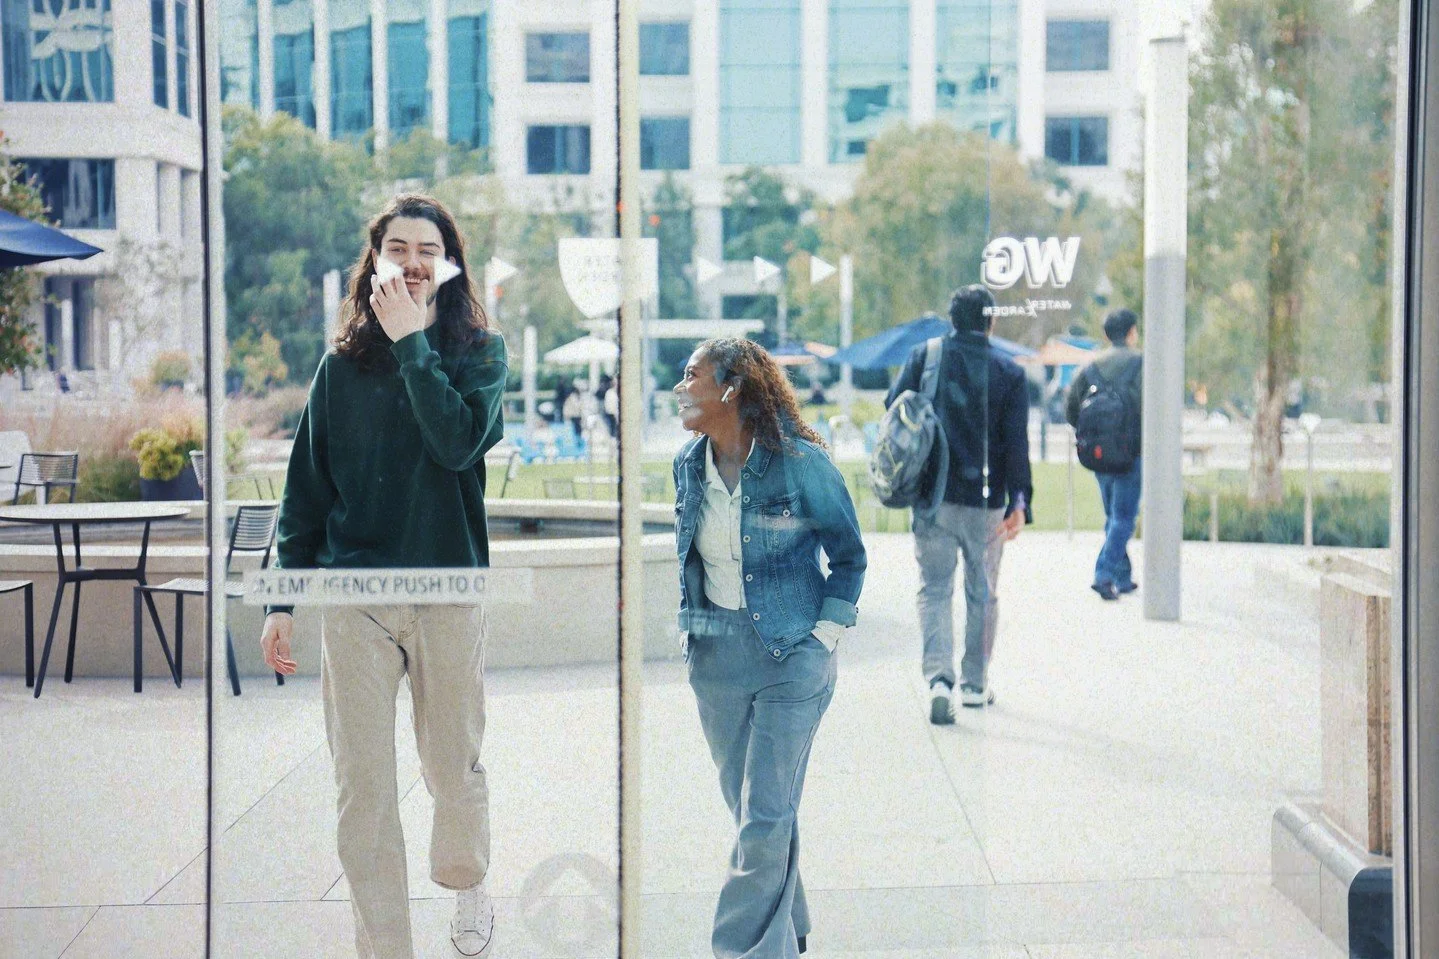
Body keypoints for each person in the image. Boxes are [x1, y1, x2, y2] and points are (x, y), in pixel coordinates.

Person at [258, 194, 507, 959]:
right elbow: (307, 488)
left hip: (446, 590)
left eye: (426, 247)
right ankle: (384, 947)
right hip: (356, 598)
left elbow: (458, 444)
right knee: (361, 790)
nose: (411, 259)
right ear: (375, 261)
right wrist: (281, 599)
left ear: (448, 261)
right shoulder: (339, 368)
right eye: (396, 246)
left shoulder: (480, 355)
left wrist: (413, 345)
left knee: (449, 766)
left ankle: (468, 884)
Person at [672, 337, 867, 958]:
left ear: (731, 389)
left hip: (791, 657)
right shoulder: (686, 464)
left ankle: (742, 952)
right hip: (717, 661)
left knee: (763, 818)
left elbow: (849, 557)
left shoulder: (800, 463)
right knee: (757, 815)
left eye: (691, 375)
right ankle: (792, 925)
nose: (680, 386)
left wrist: (824, 637)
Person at [885, 285, 1032, 724]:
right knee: (981, 591)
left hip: (933, 499)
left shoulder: (924, 357)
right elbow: (1016, 445)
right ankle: (973, 683)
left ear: (952, 319)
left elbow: (894, 409)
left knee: (934, 589)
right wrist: (1020, 500)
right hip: (987, 504)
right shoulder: (1009, 372)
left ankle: (938, 681)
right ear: (991, 322)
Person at [1065, 308, 1144, 601]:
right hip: (1131, 452)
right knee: (1124, 517)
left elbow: (1071, 409)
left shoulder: (1089, 367)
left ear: (1106, 334)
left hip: (1098, 452)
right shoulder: (1142, 363)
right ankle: (1104, 573)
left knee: (1113, 514)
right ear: (1132, 332)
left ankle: (1123, 577)